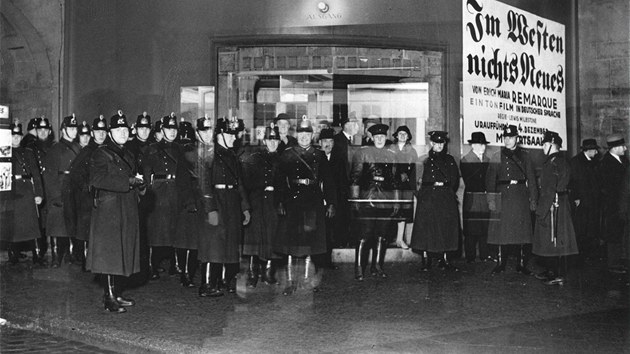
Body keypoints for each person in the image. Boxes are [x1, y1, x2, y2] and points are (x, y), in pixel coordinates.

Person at [87, 112, 144, 313]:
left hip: (126, 208)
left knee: (122, 251)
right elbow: (97, 179)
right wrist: (127, 182)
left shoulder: (127, 153)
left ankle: (116, 293)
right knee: (110, 254)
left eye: (125, 129)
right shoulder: (101, 154)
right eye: (118, 130)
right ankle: (108, 296)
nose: (122, 132)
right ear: (110, 132)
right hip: (108, 210)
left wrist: (141, 186)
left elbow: (134, 177)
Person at [275, 118, 336, 295]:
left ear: (312, 136)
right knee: (291, 244)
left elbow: (328, 181)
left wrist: (331, 202)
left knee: (310, 244)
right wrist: (279, 202)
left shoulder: (319, 155)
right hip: (292, 201)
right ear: (297, 135)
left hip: (313, 201)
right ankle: (291, 281)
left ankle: (308, 280)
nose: (303, 138)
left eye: (307, 134)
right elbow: (279, 181)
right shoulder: (287, 154)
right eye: (301, 134)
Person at [198, 117, 251, 297]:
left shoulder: (232, 156)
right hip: (217, 200)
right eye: (229, 134)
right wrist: (210, 208)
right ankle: (206, 284)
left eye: (234, 134)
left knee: (229, 243)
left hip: (231, 202)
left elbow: (240, 184)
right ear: (219, 134)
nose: (234, 138)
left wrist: (245, 207)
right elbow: (204, 184)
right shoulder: (208, 154)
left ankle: (223, 280)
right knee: (213, 244)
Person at [485, 124, 538, 275]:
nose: (507, 140)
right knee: (502, 231)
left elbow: (532, 180)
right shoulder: (497, 156)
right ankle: (501, 262)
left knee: (522, 231)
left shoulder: (525, 156)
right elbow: (490, 180)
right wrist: (491, 200)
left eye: (511, 137)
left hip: (520, 196)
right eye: (505, 137)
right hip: (503, 197)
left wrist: (533, 200)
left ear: (517, 138)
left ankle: (521, 264)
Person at [350, 123, 399, 280]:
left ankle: (376, 266)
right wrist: (355, 200)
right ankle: (359, 268)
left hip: (384, 201)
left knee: (381, 236)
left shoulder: (391, 155)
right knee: (364, 235)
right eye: (377, 137)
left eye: (382, 137)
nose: (380, 139)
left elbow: (394, 181)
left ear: (386, 138)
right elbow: (355, 178)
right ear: (371, 137)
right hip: (367, 201)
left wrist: (396, 201)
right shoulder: (362, 153)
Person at [62, 116, 108, 270]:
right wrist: (87, 186)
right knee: (86, 231)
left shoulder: (109, 149)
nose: (101, 134)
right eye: (97, 131)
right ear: (93, 133)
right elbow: (75, 173)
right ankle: (85, 261)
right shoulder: (88, 151)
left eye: (104, 131)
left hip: (106, 198)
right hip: (88, 199)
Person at [410, 131, 461, 271]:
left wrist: (449, 193)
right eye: (436, 143)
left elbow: (454, 181)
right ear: (431, 143)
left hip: (445, 197)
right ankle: (426, 260)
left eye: (441, 143)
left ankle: (444, 259)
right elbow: (413, 182)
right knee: (426, 229)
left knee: (446, 229)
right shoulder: (423, 159)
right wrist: (421, 196)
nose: (439, 145)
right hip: (428, 197)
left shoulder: (450, 160)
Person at [532, 131, 578, 285]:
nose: (542, 148)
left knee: (551, 239)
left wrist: (540, 212)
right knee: (559, 240)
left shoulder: (550, 164)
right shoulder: (563, 161)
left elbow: (548, 191)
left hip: (552, 206)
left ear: (551, 145)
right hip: (563, 204)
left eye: (544, 145)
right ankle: (553, 272)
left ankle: (555, 274)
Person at [143, 114, 185, 279]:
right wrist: (147, 192)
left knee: (176, 227)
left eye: (174, 128)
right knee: (155, 229)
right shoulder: (152, 148)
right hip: (158, 191)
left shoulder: (180, 149)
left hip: (176, 190)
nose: (172, 132)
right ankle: (152, 265)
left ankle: (175, 263)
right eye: (168, 128)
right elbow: (147, 172)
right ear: (162, 130)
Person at [241, 124, 282, 287]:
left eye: (275, 140)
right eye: (269, 140)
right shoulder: (255, 157)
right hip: (257, 201)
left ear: (279, 141)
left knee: (272, 235)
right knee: (254, 236)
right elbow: (246, 181)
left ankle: (268, 272)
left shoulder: (283, 159)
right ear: (264, 141)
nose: (272, 143)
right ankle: (252, 273)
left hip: (274, 201)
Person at [42, 114, 81, 267]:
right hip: (59, 190)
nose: (73, 131)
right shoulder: (55, 149)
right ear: (63, 130)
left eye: (74, 128)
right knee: (56, 224)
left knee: (71, 223)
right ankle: (56, 258)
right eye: (70, 128)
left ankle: (72, 255)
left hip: (74, 190)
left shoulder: (78, 148)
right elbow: (49, 175)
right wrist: (54, 195)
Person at [4, 121, 44, 266]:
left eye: (18, 135)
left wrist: (39, 193)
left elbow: (36, 175)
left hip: (27, 191)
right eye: (13, 135)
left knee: (33, 227)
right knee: (13, 226)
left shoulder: (28, 152)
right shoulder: (4, 152)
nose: (15, 138)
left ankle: (37, 255)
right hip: (12, 192)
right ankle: (13, 256)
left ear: (21, 137)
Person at [172, 119, 199, 287]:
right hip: (188, 202)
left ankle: (183, 271)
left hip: (186, 201)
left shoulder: (178, 151)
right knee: (189, 241)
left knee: (185, 240)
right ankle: (186, 273)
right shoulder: (190, 154)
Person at [460, 132, 493, 263]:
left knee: (484, 226)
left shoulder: (487, 160)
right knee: (471, 228)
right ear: (473, 145)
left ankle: (484, 255)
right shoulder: (465, 160)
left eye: (484, 145)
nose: (483, 147)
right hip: (473, 197)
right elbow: (471, 181)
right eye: (480, 144)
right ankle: (470, 256)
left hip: (483, 197)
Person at [597, 133, 628, 274]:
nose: (625, 148)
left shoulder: (624, 161)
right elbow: (605, 187)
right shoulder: (606, 163)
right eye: (622, 146)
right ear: (615, 148)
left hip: (623, 203)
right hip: (613, 205)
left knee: (622, 233)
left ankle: (622, 260)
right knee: (614, 233)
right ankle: (614, 264)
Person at [569, 138, 601, 263]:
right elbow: (573, 182)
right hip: (581, 202)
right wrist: (576, 197)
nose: (597, 153)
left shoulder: (594, 162)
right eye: (594, 150)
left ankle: (588, 254)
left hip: (592, 201)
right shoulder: (575, 162)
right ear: (588, 150)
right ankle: (579, 255)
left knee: (591, 229)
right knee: (581, 229)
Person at [331, 116, 359, 248]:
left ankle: (349, 240)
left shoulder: (354, 140)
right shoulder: (337, 141)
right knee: (341, 215)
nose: (357, 126)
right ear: (346, 125)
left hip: (351, 185)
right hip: (340, 185)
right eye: (354, 123)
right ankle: (341, 241)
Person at [316, 127, 342, 269]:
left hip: (331, 201)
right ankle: (316, 261)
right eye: (325, 141)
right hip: (316, 201)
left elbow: (341, 184)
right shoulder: (314, 157)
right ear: (320, 142)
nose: (328, 144)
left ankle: (327, 261)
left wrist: (334, 203)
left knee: (329, 232)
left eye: (331, 141)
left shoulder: (338, 159)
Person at [390, 125, 417, 250]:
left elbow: (414, 170)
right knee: (390, 211)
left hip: (405, 186)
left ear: (408, 137)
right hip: (390, 185)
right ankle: (389, 238)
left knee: (403, 213)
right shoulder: (390, 149)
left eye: (404, 134)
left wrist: (408, 177)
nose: (402, 136)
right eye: (400, 133)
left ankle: (400, 239)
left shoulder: (412, 151)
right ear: (396, 135)